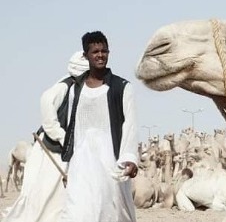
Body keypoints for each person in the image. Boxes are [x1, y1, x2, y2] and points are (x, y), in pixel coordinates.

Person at [59, 31, 139, 222]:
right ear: (86, 55)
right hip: (81, 165)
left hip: (110, 164)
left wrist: (129, 158)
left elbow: (130, 124)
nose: (100, 55)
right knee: (77, 212)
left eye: (104, 51)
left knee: (109, 212)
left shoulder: (122, 88)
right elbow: (73, 129)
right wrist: (68, 165)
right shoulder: (75, 89)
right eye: (95, 51)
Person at [2, 51, 89, 222]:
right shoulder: (64, 86)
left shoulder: (81, 90)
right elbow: (47, 109)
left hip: (65, 153)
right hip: (49, 153)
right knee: (41, 200)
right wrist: (64, 138)